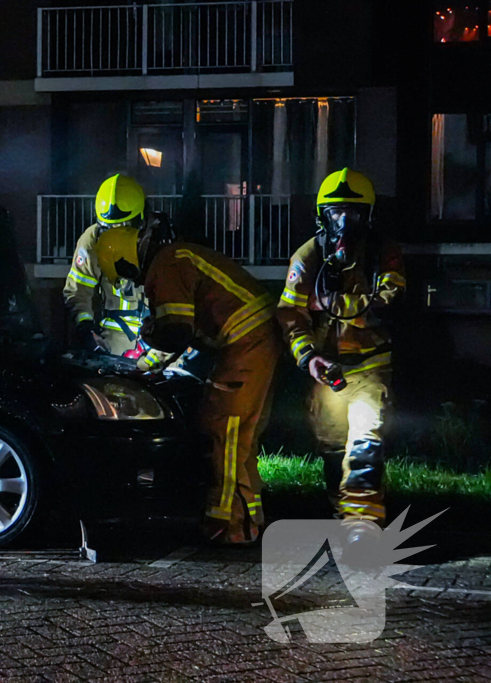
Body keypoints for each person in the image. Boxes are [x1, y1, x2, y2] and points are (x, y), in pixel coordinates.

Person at [96, 223, 280, 544]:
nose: (130, 280)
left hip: (244, 343)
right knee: (241, 437)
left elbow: (177, 333)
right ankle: (250, 520)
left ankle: (226, 526)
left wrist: (140, 365)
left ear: (125, 260)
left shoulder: (165, 265)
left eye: (124, 274)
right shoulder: (176, 256)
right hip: (256, 340)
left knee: (223, 428)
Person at [276, 168, 404, 527]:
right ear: (323, 215)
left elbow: (389, 302)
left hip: (369, 368)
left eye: (353, 212)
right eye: (336, 212)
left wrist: (333, 301)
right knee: (332, 450)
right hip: (327, 371)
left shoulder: (383, 252)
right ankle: (341, 514)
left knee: (365, 448)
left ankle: (362, 527)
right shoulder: (308, 256)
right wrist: (308, 355)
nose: (344, 220)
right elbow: (290, 314)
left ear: (368, 215)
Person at [63, 174, 163, 365]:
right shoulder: (92, 239)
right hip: (113, 346)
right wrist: (85, 327)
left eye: (123, 226)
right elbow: (78, 291)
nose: (115, 233)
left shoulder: (159, 239)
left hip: (159, 344)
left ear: (141, 219)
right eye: (109, 227)